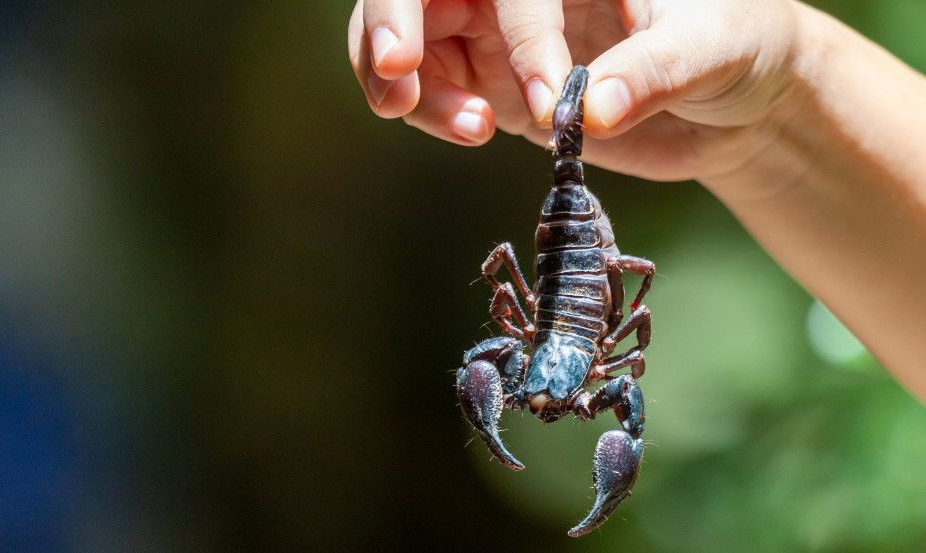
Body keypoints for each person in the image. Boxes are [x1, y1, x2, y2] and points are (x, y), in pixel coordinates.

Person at [347, 0, 926, 403]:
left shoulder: (586, 356)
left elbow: (515, 308)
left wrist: (771, 117)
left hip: (563, 255)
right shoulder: (602, 355)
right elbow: (617, 326)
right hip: (572, 267)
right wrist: (768, 123)